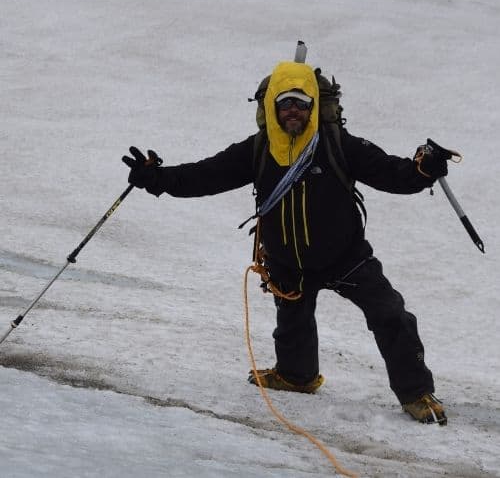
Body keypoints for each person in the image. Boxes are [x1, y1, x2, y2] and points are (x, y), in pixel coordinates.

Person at [122, 60, 449, 425]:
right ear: (271, 107)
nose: (293, 110)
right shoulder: (258, 149)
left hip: (347, 257)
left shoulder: (339, 145)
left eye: (301, 103)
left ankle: (416, 393)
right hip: (286, 262)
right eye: (285, 103)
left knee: (390, 315)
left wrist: (423, 170)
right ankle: (297, 377)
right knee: (292, 320)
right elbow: (205, 176)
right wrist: (156, 178)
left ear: (313, 107)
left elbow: (393, 174)